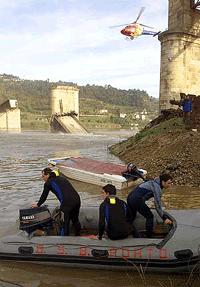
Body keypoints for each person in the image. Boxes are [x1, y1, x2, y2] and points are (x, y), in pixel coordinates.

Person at [31, 168, 81, 236]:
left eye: (43, 176)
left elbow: (44, 195)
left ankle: (63, 243)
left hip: (66, 203)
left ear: (48, 175)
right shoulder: (62, 178)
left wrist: (38, 204)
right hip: (77, 200)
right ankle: (78, 236)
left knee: (64, 224)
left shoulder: (48, 182)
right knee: (75, 220)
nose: (43, 179)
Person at [127, 173, 172, 238]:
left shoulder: (153, 182)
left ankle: (129, 233)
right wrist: (164, 218)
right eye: (168, 183)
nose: (169, 185)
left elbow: (144, 196)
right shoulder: (157, 188)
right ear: (163, 182)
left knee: (132, 218)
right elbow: (158, 205)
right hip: (136, 200)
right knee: (150, 216)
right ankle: (149, 236)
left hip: (130, 197)